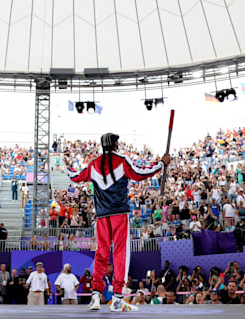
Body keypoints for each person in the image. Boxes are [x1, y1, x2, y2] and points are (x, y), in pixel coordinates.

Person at [65, 133, 169, 312]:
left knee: (101, 254)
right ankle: (118, 299)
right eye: (117, 142)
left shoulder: (93, 164)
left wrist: (67, 168)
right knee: (121, 255)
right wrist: (161, 163)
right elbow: (139, 174)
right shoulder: (122, 160)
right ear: (114, 144)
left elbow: (75, 177)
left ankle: (96, 296)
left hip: (102, 216)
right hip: (119, 214)